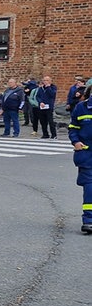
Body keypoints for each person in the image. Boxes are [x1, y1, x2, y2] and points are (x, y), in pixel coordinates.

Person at [67, 84, 92, 234]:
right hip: (87, 154)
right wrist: (75, 142)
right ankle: (89, 220)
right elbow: (73, 128)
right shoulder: (81, 108)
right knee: (90, 187)